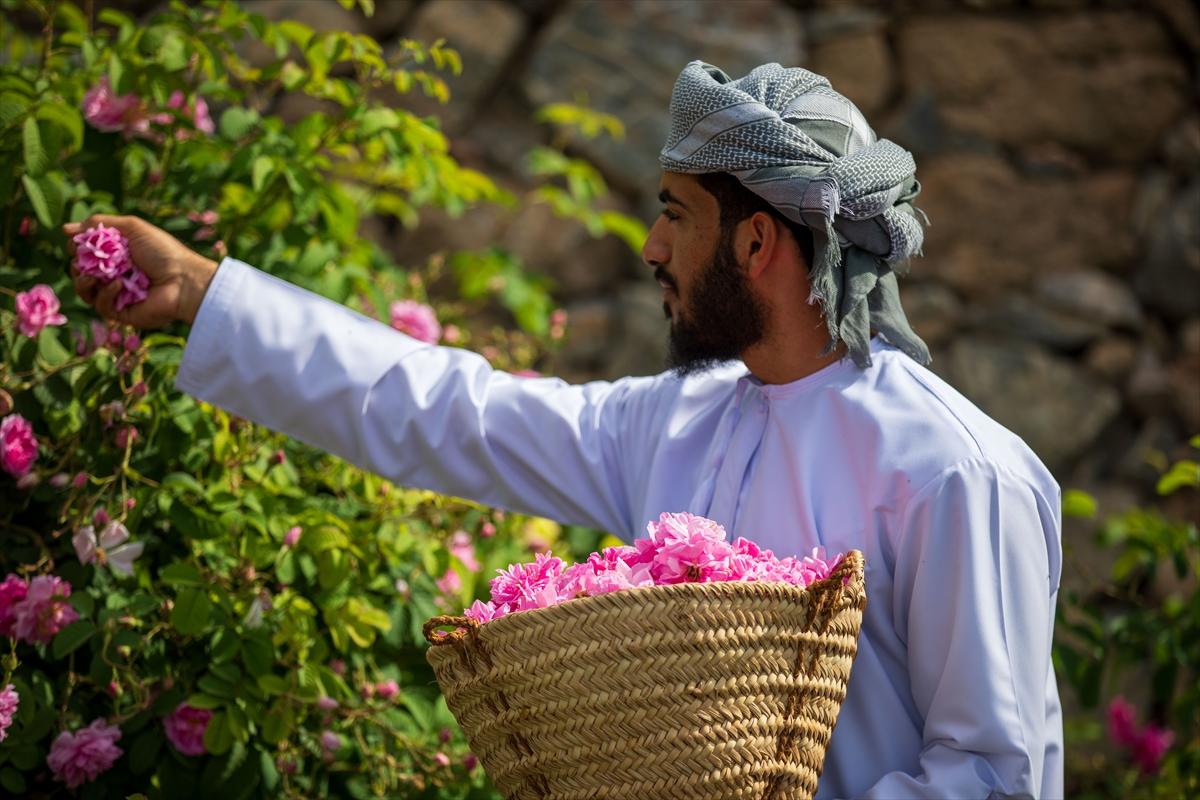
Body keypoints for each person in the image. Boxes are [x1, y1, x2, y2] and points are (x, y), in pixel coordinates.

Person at [67, 62, 1063, 800]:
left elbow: (996, 775)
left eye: (676, 215)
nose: (652, 247)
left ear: (757, 241)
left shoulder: (951, 474)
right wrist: (206, 294)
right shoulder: (678, 421)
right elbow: (447, 409)